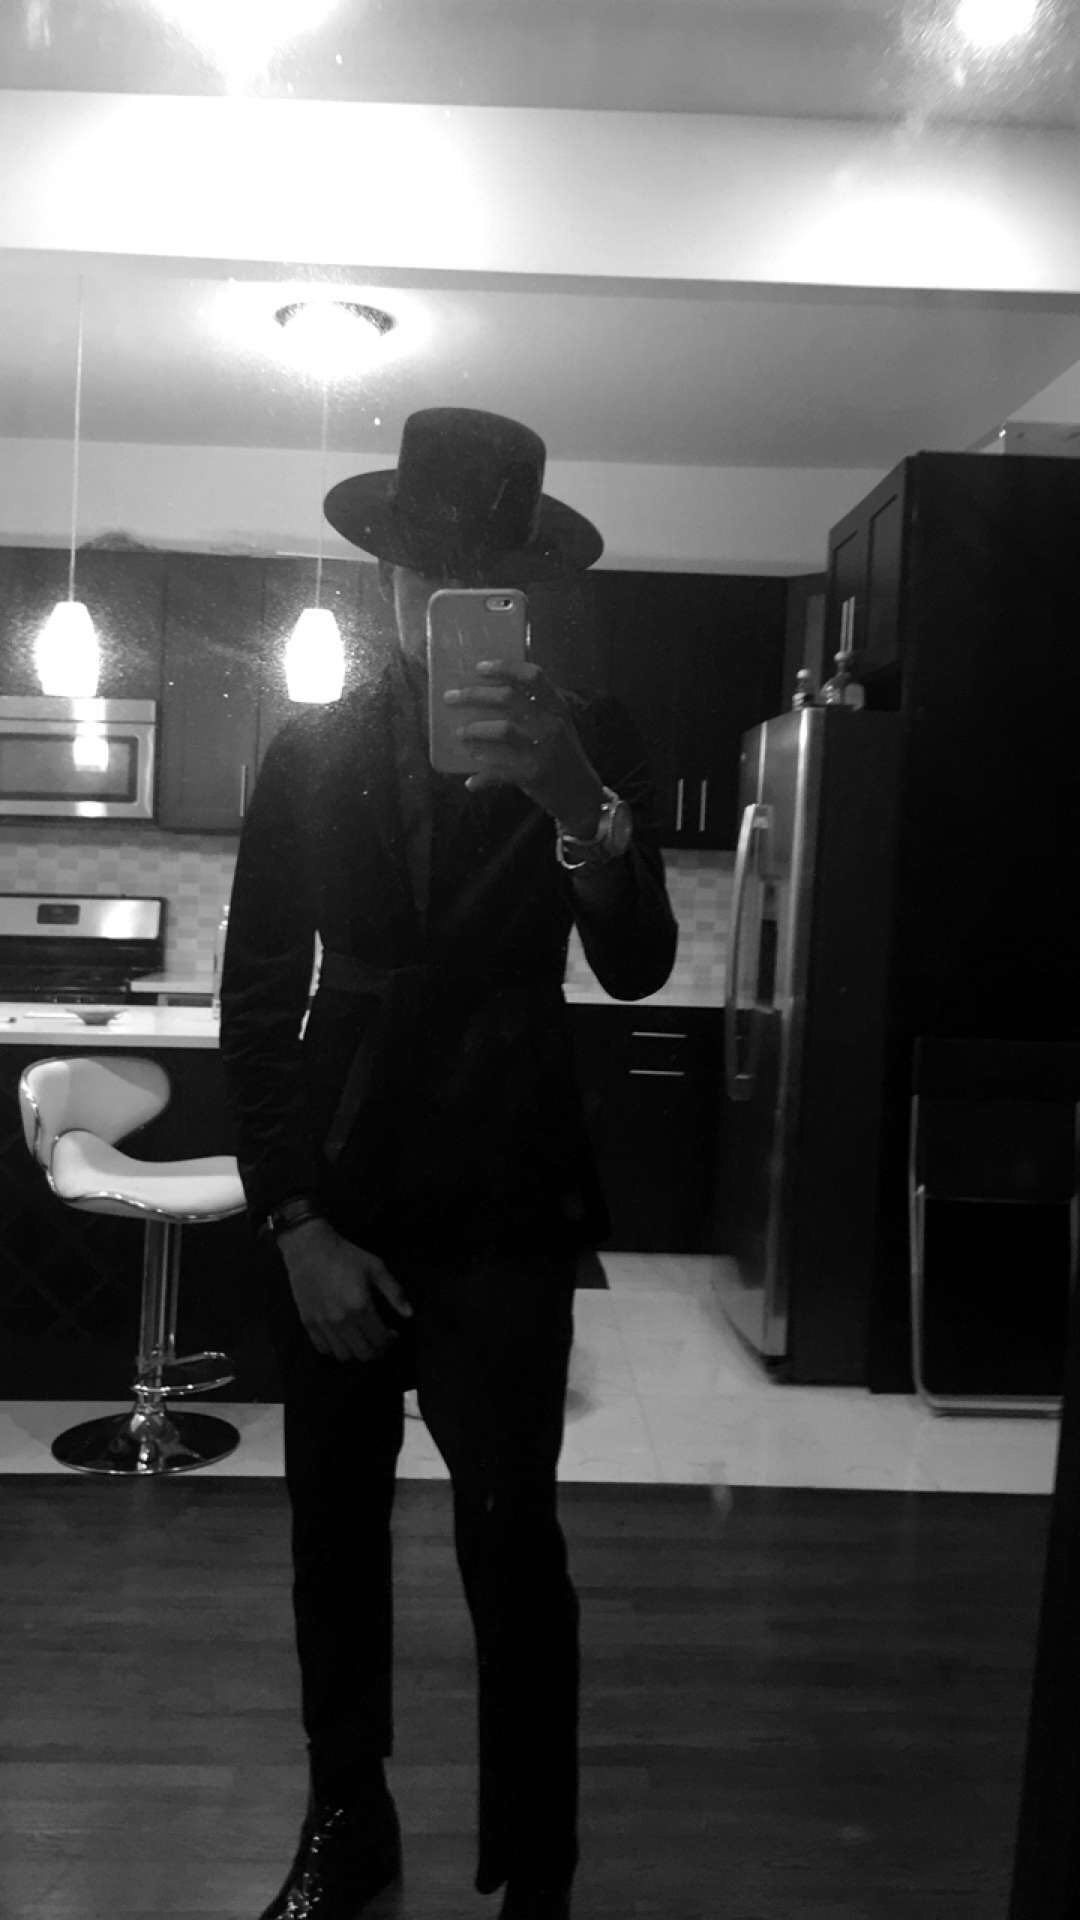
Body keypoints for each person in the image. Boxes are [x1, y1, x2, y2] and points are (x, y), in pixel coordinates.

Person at [218, 407, 678, 1920]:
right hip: (340, 1194)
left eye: (488, 581)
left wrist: (577, 807)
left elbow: (635, 964)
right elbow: (256, 995)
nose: (448, 605)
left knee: (513, 1538)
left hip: (506, 1196)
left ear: (526, 598)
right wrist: (294, 1220)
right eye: (426, 574)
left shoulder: (589, 743)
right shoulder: (311, 747)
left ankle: (539, 1871)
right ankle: (346, 1823)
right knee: (332, 1536)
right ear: (387, 581)